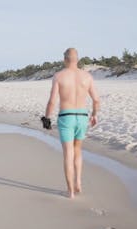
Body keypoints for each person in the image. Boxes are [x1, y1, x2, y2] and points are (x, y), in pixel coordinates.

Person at [43, 48, 100, 199]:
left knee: (68, 153)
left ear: (64, 59)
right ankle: (78, 183)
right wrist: (94, 115)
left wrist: (46, 119)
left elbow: (52, 101)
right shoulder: (87, 76)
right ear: (77, 59)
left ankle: (70, 192)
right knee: (78, 150)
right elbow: (96, 100)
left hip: (66, 117)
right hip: (82, 117)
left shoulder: (59, 76)